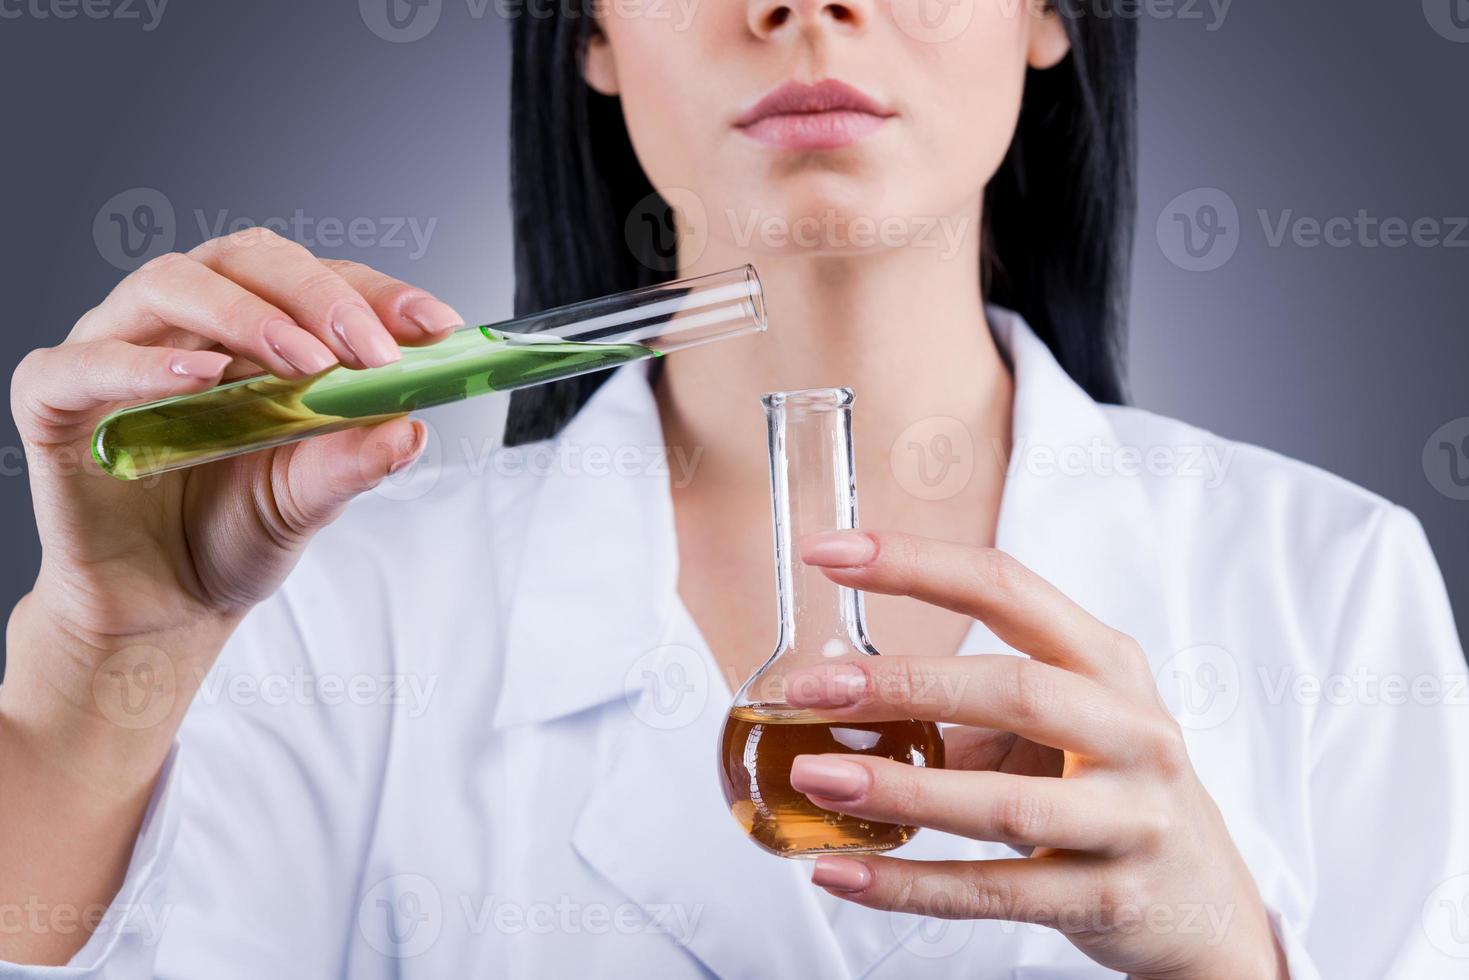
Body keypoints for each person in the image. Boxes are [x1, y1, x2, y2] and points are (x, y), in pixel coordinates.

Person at [2, 0, 1465, 976]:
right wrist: (97, 672)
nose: (802, 5)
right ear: (590, 32)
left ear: (1043, 13)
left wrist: (1229, 954)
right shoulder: (346, 598)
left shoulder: (1326, 580)